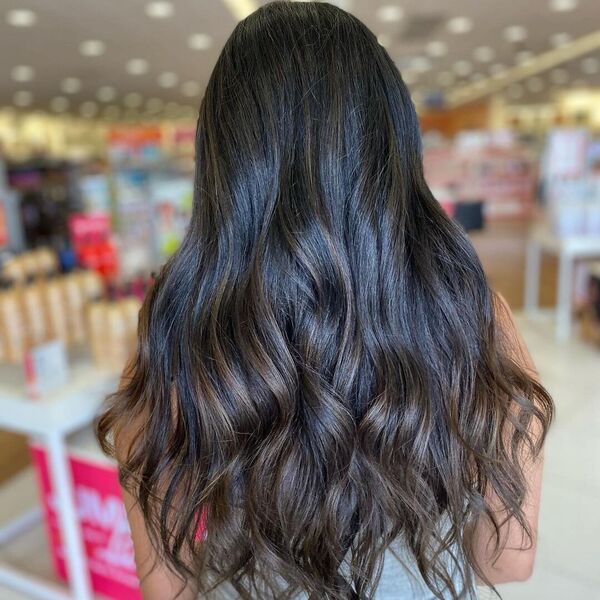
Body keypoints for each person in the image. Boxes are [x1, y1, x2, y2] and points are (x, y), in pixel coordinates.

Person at [97, 2, 554, 598]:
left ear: (223, 167)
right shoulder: (466, 313)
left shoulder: (177, 330)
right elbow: (506, 562)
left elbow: (166, 585)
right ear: (393, 144)